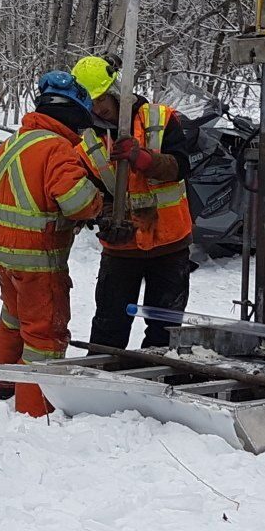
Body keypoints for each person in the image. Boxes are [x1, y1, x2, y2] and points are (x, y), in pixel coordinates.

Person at [0, 72, 104, 417]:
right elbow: (77, 201)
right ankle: (35, 409)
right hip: (38, 259)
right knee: (45, 334)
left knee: (12, 318)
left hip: (3, 254)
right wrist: (98, 201)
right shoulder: (56, 149)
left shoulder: (11, 144)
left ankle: (1, 383)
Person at [71, 54, 194, 348]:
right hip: (122, 249)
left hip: (169, 243)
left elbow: (180, 167)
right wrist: (107, 216)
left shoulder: (160, 119)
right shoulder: (86, 141)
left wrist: (143, 158)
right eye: (91, 101)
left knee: (164, 332)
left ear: (116, 91)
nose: (98, 107)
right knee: (109, 329)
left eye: (102, 98)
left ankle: (157, 385)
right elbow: (92, 192)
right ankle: (104, 385)